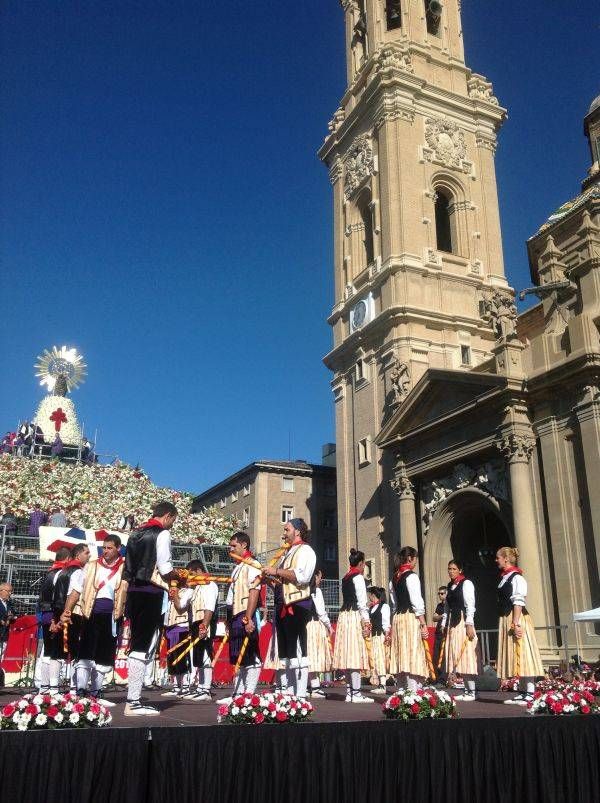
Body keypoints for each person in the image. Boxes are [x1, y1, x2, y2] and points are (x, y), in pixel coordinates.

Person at [122, 501, 182, 716]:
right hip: (151, 591)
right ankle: (134, 701)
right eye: (173, 520)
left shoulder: (135, 533)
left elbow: (127, 569)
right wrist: (180, 577)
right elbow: (165, 567)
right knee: (142, 646)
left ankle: (134, 698)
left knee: (136, 644)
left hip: (134, 591)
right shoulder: (162, 533)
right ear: (167, 516)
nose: (172, 525)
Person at [59, 535, 125, 703]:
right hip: (91, 614)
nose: (106, 551)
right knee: (86, 651)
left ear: (118, 548)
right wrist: (67, 611)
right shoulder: (90, 566)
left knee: (105, 653)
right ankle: (81, 690)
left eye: (110, 548)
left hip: (112, 616)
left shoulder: (125, 568)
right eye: (104, 547)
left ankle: (96, 692)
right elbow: (76, 590)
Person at [262, 518, 316, 698]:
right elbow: (283, 582)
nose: (284, 533)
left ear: (298, 531)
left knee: (299, 650)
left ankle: (300, 695)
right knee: (286, 653)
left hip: (297, 605)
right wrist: (270, 581)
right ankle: (290, 693)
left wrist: (275, 571)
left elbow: (302, 577)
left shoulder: (306, 550)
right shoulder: (287, 552)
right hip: (283, 605)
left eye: (287, 529)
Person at [496, 546, 544, 705]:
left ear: (506, 559)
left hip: (517, 617)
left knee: (524, 654)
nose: (496, 560)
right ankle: (523, 691)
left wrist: (516, 623)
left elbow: (518, 601)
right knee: (517, 654)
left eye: (498, 557)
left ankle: (529, 693)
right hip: (507, 617)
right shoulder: (505, 577)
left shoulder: (517, 578)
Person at [222, 532, 262, 702]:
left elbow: (254, 591)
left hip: (245, 613)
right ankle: (238, 694)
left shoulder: (253, 564)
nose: (231, 549)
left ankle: (249, 693)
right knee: (238, 654)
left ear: (244, 545)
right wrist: (228, 620)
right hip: (235, 615)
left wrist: (248, 617)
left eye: (234, 546)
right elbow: (231, 598)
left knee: (250, 653)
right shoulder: (238, 567)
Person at [331, 549, 373, 703]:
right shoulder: (358, 578)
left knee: (349, 655)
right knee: (354, 655)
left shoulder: (345, 577)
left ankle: (350, 692)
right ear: (361, 563)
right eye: (364, 564)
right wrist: (367, 622)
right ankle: (356, 693)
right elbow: (362, 603)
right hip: (354, 615)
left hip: (344, 616)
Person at [389, 546, 429, 692]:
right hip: (410, 617)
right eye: (415, 558)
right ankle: (413, 691)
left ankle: (401, 689)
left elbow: (394, 604)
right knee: (412, 651)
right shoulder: (411, 576)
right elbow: (416, 602)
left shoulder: (393, 578)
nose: (416, 562)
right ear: (410, 558)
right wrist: (423, 623)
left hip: (398, 618)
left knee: (401, 652)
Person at [37, 546, 77, 693]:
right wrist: (58, 618)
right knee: (57, 651)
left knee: (48, 650)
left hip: (45, 613)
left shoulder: (49, 572)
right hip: (55, 614)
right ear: (67, 559)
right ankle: (53, 687)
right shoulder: (62, 573)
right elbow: (59, 597)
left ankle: (44, 686)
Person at [53, 543, 91, 687]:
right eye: (86, 553)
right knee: (75, 650)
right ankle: (76, 687)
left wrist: (55, 617)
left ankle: (52, 687)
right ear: (77, 555)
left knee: (56, 651)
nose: (89, 555)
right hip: (72, 613)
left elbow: (55, 595)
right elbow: (74, 594)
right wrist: (66, 613)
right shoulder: (78, 572)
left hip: (58, 612)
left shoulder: (61, 571)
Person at [443, 559, 481, 702]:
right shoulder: (450, 586)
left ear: (460, 570)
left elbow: (470, 604)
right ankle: (466, 689)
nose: (451, 571)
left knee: (466, 655)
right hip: (453, 623)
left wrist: (469, 624)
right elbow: (447, 606)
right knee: (457, 656)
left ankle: (472, 690)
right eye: (449, 569)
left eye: (453, 569)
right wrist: (444, 622)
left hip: (463, 622)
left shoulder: (466, 583)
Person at [188, 559, 218, 701]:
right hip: (196, 622)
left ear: (199, 571)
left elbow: (209, 606)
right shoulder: (197, 587)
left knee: (206, 654)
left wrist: (204, 625)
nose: (191, 577)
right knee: (198, 655)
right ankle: (200, 687)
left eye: (192, 574)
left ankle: (206, 689)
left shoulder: (210, 584)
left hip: (204, 622)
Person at [306, 567, 333, 698]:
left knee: (306, 656)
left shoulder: (303, 590)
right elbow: (321, 613)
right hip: (315, 625)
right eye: (319, 577)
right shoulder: (317, 591)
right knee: (315, 656)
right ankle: (315, 688)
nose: (321, 579)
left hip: (304, 626)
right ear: (314, 577)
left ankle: (306, 686)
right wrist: (329, 626)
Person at [367, 586, 391, 695]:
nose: (369, 597)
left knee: (381, 659)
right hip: (374, 636)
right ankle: (379, 683)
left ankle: (383, 685)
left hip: (380, 635)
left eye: (370, 594)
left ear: (373, 595)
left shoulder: (384, 606)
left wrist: (387, 634)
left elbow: (386, 622)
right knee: (376, 659)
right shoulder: (372, 608)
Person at [432, 585, 447, 684]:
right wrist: (441, 616)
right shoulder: (439, 606)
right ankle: (436, 678)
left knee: (443, 657)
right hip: (438, 633)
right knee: (436, 656)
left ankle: (442, 679)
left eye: (442, 593)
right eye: (439, 594)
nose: (440, 595)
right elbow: (434, 617)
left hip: (446, 633)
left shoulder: (449, 605)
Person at [0, 584, 18, 664]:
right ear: (1, 591)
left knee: (1, 654)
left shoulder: (9, 603)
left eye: (11, 591)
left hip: (4, 634)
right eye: (9, 591)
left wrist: (11, 617)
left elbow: (13, 614)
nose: (10, 593)